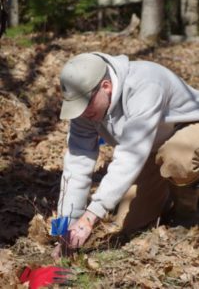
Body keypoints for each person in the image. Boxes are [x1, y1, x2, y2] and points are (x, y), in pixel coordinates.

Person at [52, 52, 199, 258]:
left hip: (188, 131)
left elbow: (130, 155)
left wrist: (91, 215)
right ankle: (168, 192)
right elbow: (78, 162)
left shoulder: (146, 84)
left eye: (85, 105)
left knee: (176, 157)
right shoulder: (85, 108)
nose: (82, 113)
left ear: (106, 87)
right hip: (150, 149)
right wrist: (67, 223)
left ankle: (188, 213)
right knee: (130, 226)